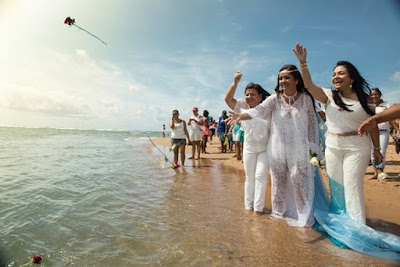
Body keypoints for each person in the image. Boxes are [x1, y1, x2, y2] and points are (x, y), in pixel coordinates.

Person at [293, 42, 383, 225]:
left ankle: (358, 228)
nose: (336, 76)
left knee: (353, 187)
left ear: (352, 78)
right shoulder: (329, 96)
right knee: (336, 188)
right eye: (334, 74)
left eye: (341, 73)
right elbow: (308, 85)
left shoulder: (365, 100)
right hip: (333, 147)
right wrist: (303, 63)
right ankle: (340, 224)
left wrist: (377, 149)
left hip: (357, 147)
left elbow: (372, 125)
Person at [227, 65, 320, 226]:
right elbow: (260, 110)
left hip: (299, 149)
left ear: (296, 80)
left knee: (299, 181)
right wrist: (241, 116)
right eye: (281, 78)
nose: (283, 81)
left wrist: (312, 145)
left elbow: (312, 123)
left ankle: (303, 216)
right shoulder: (274, 98)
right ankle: (278, 214)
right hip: (276, 148)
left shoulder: (306, 99)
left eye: (286, 78)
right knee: (278, 183)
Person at [225, 71, 271, 214]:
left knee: (260, 177)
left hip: (264, 148)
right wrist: (235, 83)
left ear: (260, 96)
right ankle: (248, 207)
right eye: (247, 94)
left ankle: (258, 209)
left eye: (253, 94)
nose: (249, 97)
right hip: (249, 148)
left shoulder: (266, 108)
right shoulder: (242, 107)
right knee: (249, 178)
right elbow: (228, 99)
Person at [368, 88, 398, 180]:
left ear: (380, 95)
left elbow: (390, 119)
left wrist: (397, 129)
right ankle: (375, 173)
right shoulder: (368, 105)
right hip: (371, 132)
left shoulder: (386, 105)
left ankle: (381, 172)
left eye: (375, 94)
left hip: (383, 131)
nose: (374, 96)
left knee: (381, 151)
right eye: (372, 95)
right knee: (372, 152)